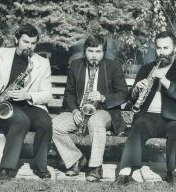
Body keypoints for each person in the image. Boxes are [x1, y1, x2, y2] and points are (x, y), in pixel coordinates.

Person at [115, 31, 176, 186]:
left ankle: (171, 172)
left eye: (166, 48)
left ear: (175, 49)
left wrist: (165, 82)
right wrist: (136, 89)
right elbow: (131, 98)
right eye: (159, 48)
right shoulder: (146, 69)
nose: (162, 52)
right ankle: (125, 172)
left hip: (173, 117)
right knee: (137, 127)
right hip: (148, 116)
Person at [0, 24, 53, 180]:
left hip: (29, 105)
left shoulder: (42, 62)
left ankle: (40, 166)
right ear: (16, 39)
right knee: (21, 120)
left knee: (46, 122)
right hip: (2, 106)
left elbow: (47, 95)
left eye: (33, 43)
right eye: (25, 42)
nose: (29, 46)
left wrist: (28, 95)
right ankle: (6, 167)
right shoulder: (0, 54)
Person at [52, 35, 128, 182]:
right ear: (84, 51)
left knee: (96, 121)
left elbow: (123, 94)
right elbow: (69, 93)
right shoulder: (76, 65)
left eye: (98, 52)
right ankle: (76, 160)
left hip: (105, 111)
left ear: (103, 52)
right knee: (54, 125)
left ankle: (95, 167)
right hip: (80, 110)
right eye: (90, 51)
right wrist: (74, 110)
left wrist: (103, 97)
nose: (94, 55)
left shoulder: (113, 66)